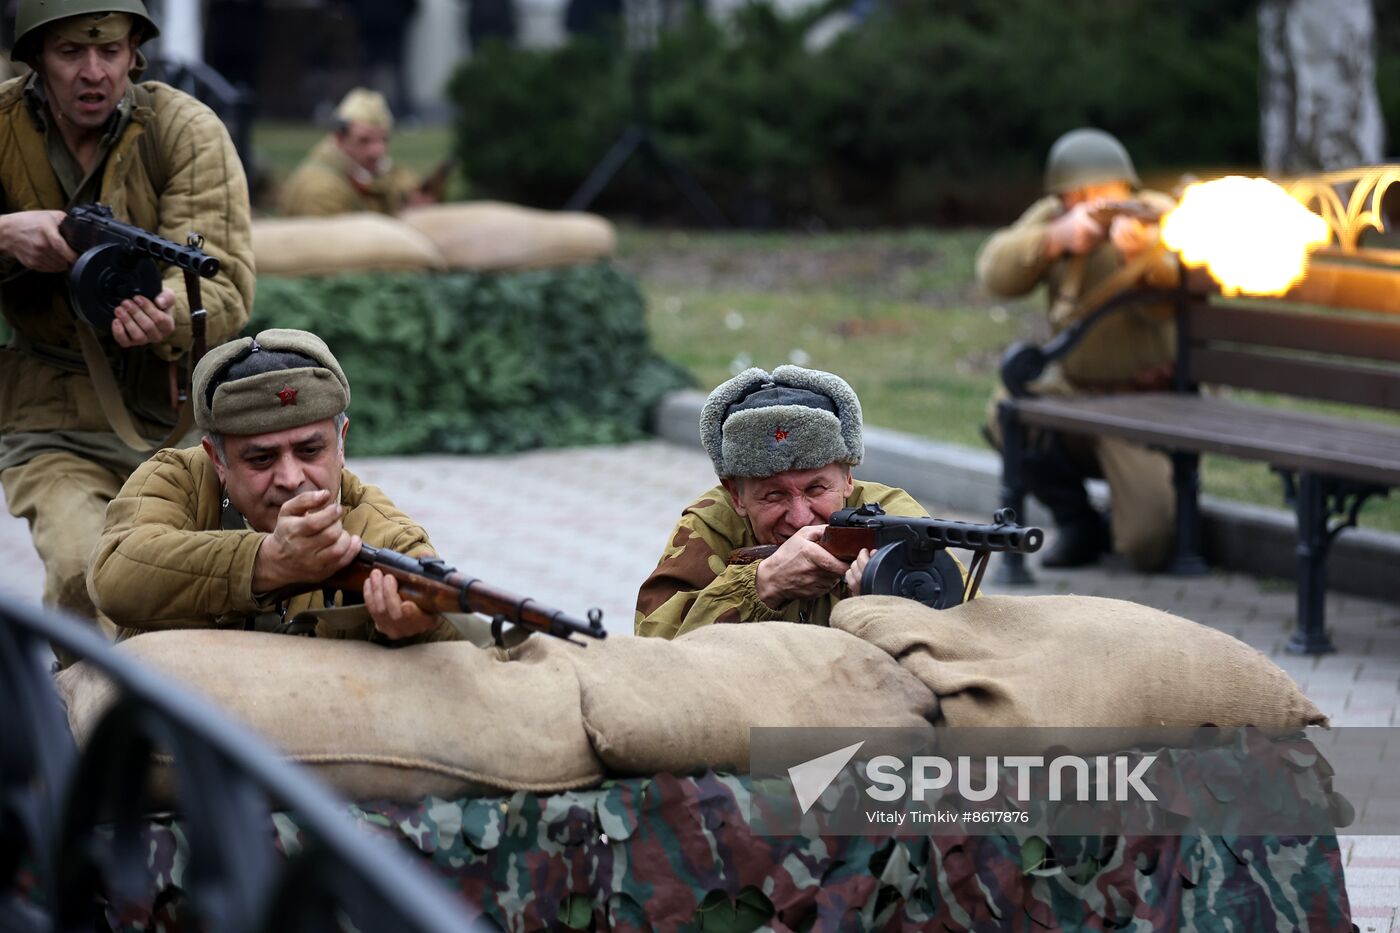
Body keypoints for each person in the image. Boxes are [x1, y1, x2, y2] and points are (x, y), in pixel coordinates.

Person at [0, 0, 255, 663]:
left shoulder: (182, 130)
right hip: (48, 407)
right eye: (70, 54)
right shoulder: (1, 127)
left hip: (167, 412)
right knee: (88, 572)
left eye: (110, 51)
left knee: (194, 586)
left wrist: (166, 313)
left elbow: (223, 286)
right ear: (33, 60)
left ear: (135, 53)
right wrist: (6, 234)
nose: (94, 72)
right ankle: (94, 731)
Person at [88, 328, 461, 644]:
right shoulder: (176, 479)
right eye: (261, 459)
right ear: (217, 459)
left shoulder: (375, 523)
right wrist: (265, 562)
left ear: (341, 442)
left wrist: (414, 628)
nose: (290, 478)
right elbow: (115, 575)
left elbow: (455, 629)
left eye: (310, 450)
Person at [975, 128, 1177, 572]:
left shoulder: (1159, 217)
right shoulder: (1056, 215)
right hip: (1073, 392)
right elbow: (993, 270)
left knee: (1147, 545)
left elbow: (1169, 304)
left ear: (1124, 185)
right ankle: (1078, 523)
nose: (1089, 201)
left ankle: (1124, 519)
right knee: (1006, 415)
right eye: (1075, 194)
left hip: (1142, 405)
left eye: (1099, 191)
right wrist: (1054, 239)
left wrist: (1141, 257)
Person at [636, 365, 959, 639]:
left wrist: (884, 603)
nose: (801, 517)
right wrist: (760, 586)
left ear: (848, 479)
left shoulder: (894, 519)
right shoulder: (713, 523)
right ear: (736, 495)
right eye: (773, 495)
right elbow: (654, 652)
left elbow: (966, 640)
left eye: (817, 489)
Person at [278, 87, 426, 217]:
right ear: (339, 138)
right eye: (364, 140)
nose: (377, 151)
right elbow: (341, 245)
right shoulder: (318, 189)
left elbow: (405, 183)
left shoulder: (378, 170)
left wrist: (415, 199)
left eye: (384, 140)